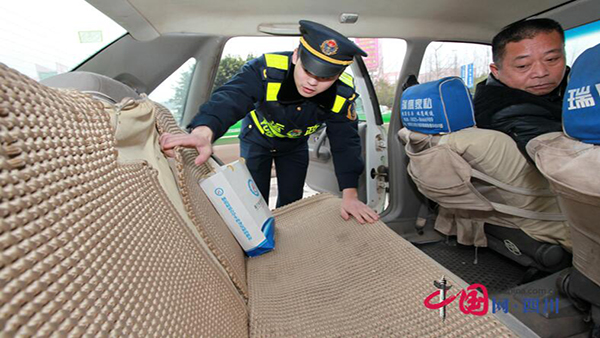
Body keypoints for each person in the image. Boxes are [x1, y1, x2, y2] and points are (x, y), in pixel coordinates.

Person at [160, 20, 379, 224]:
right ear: (296, 56)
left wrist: (350, 195)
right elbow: (232, 97)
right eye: (308, 70)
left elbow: (345, 143)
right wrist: (203, 132)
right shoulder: (267, 70)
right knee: (255, 200)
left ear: (339, 74)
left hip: (294, 146)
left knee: (293, 202)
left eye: (325, 77)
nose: (312, 82)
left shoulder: (342, 96)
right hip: (257, 139)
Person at [473, 18, 569, 162]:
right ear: (496, 70)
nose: (541, 72)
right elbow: (567, 161)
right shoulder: (507, 112)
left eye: (552, 59)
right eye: (523, 66)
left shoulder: (576, 81)